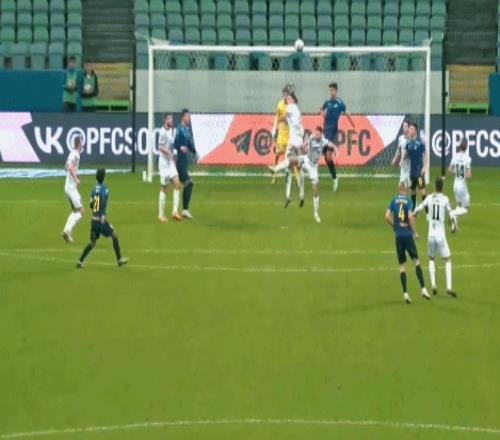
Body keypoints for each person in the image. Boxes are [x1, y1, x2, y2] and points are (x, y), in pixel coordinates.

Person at [385, 182, 430, 304]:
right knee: (416, 261)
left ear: (398, 189)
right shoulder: (408, 201)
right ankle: (423, 289)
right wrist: (414, 232)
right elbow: (410, 217)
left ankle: (405, 293)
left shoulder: (393, 200)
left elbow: (387, 216)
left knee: (402, 266)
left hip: (398, 236)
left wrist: (394, 226)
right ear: (405, 190)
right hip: (407, 235)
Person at [413, 177, 457, 297]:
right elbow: (451, 214)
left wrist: (415, 213)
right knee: (447, 259)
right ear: (442, 187)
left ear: (434, 186)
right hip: (440, 235)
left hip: (431, 235)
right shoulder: (445, 199)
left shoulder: (429, 197)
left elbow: (420, 207)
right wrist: (453, 226)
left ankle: (433, 285)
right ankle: (449, 287)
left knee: (431, 258)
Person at [77, 169, 127, 268]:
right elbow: (103, 201)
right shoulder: (105, 189)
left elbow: (91, 205)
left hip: (94, 219)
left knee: (92, 243)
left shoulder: (93, 189)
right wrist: (102, 214)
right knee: (114, 235)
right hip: (101, 219)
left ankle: (80, 261)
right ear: (104, 177)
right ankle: (119, 259)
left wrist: (96, 206)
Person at [320, 82, 354, 192]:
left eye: (332, 90)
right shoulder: (327, 102)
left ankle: (335, 179)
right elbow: (321, 109)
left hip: (333, 132)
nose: (330, 92)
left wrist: (354, 125)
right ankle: (334, 177)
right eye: (329, 90)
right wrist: (322, 113)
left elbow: (347, 113)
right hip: (325, 132)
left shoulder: (340, 103)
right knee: (326, 157)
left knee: (328, 156)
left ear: (336, 90)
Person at [301, 126, 338, 223]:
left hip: (313, 167)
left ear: (321, 134)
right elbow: (305, 144)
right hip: (306, 161)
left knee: (315, 191)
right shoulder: (311, 138)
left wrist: (335, 149)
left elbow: (331, 144)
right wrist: (303, 146)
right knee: (293, 161)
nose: (316, 135)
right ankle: (277, 169)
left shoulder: (323, 141)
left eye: (318, 134)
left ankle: (316, 214)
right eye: (315, 133)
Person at [282, 92, 305, 208]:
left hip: (292, 142)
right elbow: (301, 129)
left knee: (288, 167)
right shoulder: (297, 110)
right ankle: (301, 195)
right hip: (299, 141)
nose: (287, 99)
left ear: (293, 100)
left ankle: (288, 195)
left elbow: (283, 116)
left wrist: (280, 119)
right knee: (299, 168)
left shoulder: (290, 107)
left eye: (289, 98)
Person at [174, 109, 197, 219]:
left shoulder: (186, 130)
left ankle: (182, 210)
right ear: (182, 117)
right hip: (179, 161)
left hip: (184, 161)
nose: (189, 118)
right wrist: (180, 147)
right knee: (189, 183)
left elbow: (190, 145)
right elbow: (174, 143)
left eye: (189, 116)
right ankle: (184, 210)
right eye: (187, 116)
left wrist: (195, 152)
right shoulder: (180, 129)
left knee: (186, 184)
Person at [158, 114, 182, 222]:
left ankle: (174, 212)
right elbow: (160, 147)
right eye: (170, 119)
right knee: (165, 188)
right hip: (163, 165)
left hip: (170, 163)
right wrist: (169, 153)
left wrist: (173, 159)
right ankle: (161, 215)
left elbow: (170, 146)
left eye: (172, 118)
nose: (172, 120)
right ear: (165, 120)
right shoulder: (162, 132)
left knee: (177, 184)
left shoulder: (171, 131)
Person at [62, 136, 84, 243]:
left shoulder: (71, 153)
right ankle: (67, 230)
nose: (82, 145)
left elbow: (66, 167)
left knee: (75, 211)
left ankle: (67, 231)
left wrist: (73, 176)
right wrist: (76, 179)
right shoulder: (76, 155)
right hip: (71, 188)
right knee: (81, 211)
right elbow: (70, 167)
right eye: (81, 143)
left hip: (68, 187)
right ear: (79, 144)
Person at [448, 138, 472, 232]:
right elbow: (469, 175)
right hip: (462, 186)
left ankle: (454, 226)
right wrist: (464, 174)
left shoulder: (455, 156)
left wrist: (456, 172)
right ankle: (452, 213)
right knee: (466, 208)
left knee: (459, 205)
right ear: (466, 147)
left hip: (455, 185)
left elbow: (449, 170)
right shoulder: (467, 158)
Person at [270, 85, 290, 184]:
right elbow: (277, 117)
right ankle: (274, 175)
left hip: (289, 133)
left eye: (287, 94)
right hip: (281, 132)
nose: (285, 96)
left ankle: (289, 175)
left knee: (289, 155)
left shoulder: (291, 105)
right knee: (277, 154)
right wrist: (274, 128)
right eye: (284, 94)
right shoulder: (280, 104)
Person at [406, 122, 428, 210]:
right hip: (412, 172)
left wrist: (424, 167)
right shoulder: (408, 143)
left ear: (415, 131)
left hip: (419, 173)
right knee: (413, 191)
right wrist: (403, 160)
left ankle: (428, 212)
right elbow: (408, 155)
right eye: (409, 128)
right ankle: (413, 209)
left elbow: (425, 155)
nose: (409, 130)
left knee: (423, 191)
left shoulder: (420, 142)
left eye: (411, 129)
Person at [391, 120, 410, 186]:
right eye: (403, 126)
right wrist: (394, 159)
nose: (404, 127)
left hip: (410, 164)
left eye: (405, 126)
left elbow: (409, 152)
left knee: (409, 185)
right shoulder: (400, 138)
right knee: (401, 184)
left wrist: (402, 160)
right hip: (403, 165)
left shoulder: (411, 138)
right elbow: (398, 150)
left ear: (409, 128)